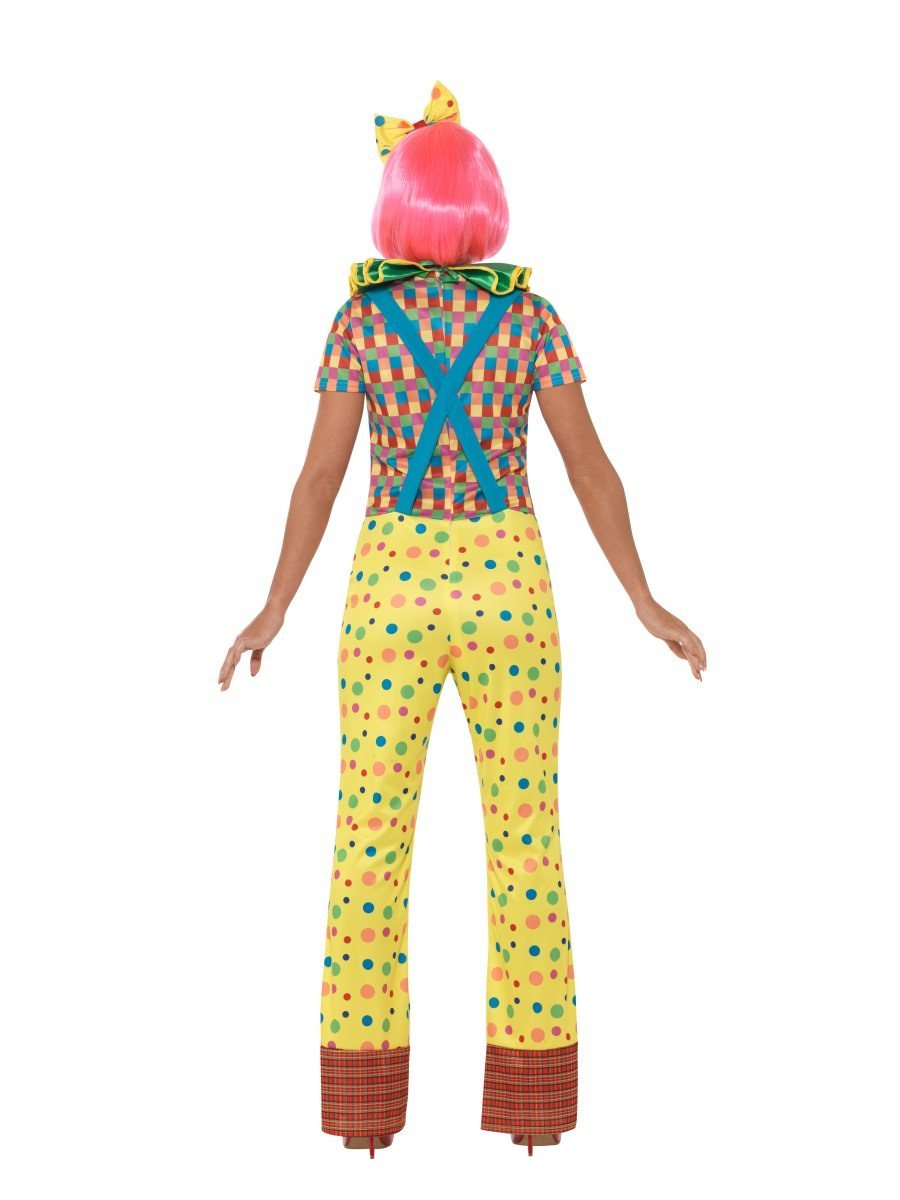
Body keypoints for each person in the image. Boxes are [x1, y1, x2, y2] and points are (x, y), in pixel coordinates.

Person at [218, 80, 707, 1159]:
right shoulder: (529, 318)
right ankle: (532, 1117)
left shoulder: (361, 320)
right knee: (527, 843)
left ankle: (364, 1119)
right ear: (482, 201)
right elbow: (588, 467)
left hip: (389, 591)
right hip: (509, 587)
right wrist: (642, 597)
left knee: (368, 842)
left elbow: (319, 479)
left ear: (398, 201)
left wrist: (276, 605)